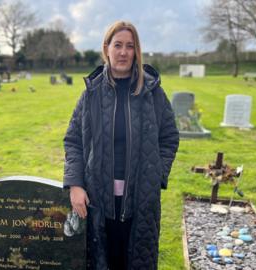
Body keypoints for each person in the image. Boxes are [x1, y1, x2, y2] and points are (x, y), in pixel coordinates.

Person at [63, 21, 179, 270]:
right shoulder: (91, 93)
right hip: (98, 198)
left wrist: (156, 173)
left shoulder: (152, 92)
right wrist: (75, 184)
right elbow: (73, 141)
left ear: (137, 51)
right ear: (107, 49)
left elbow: (169, 137)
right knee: (102, 261)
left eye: (130, 46)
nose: (123, 52)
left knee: (136, 261)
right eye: (118, 45)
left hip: (141, 201)